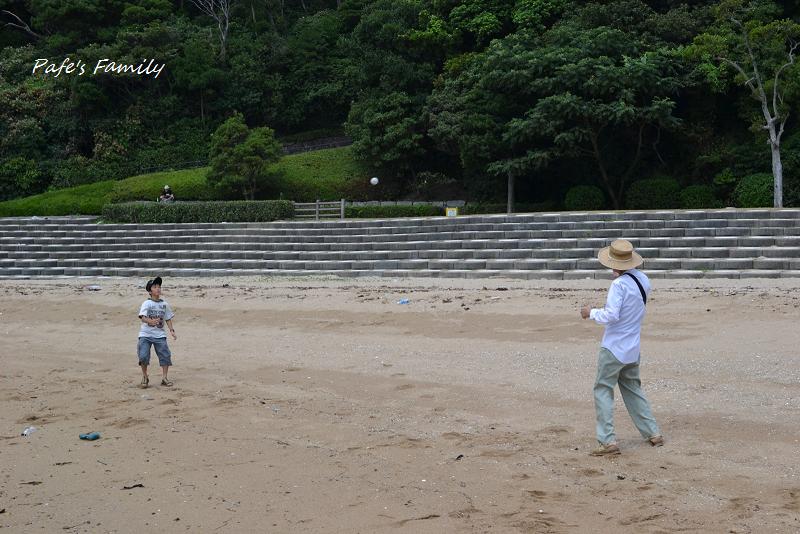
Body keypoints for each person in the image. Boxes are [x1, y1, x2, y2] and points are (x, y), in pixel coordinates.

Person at [580, 239, 663, 456]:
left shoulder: (618, 285)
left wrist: (591, 312)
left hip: (614, 346)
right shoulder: (643, 279)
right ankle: (652, 432)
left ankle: (607, 441)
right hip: (633, 346)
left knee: (603, 389)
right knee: (633, 388)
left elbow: (612, 315)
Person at [137, 276, 177, 388]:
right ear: (150, 291)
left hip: (160, 335)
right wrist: (150, 321)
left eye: (159, 286)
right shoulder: (147, 303)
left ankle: (164, 378)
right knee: (143, 356)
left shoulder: (164, 304)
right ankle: (145, 377)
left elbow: (168, 318)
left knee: (165, 355)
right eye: (155, 287)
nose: (158, 289)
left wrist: (172, 331)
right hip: (145, 334)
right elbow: (142, 317)